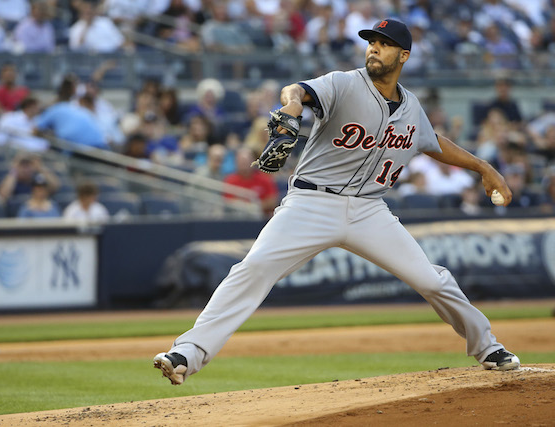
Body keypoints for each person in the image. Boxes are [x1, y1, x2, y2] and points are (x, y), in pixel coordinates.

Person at [153, 18, 521, 386]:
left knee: (432, 280)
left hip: (369, 211)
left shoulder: (411, 107)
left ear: (404, 55)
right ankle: (187, 352)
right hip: (311, 203)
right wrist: (293, 109)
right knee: (253, 269)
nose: (374, 48)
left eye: (385, 43)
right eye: (371, 41)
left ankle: (487, 346)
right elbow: (294, 91)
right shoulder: (344, 83)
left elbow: (432, 141)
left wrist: (482, 166)